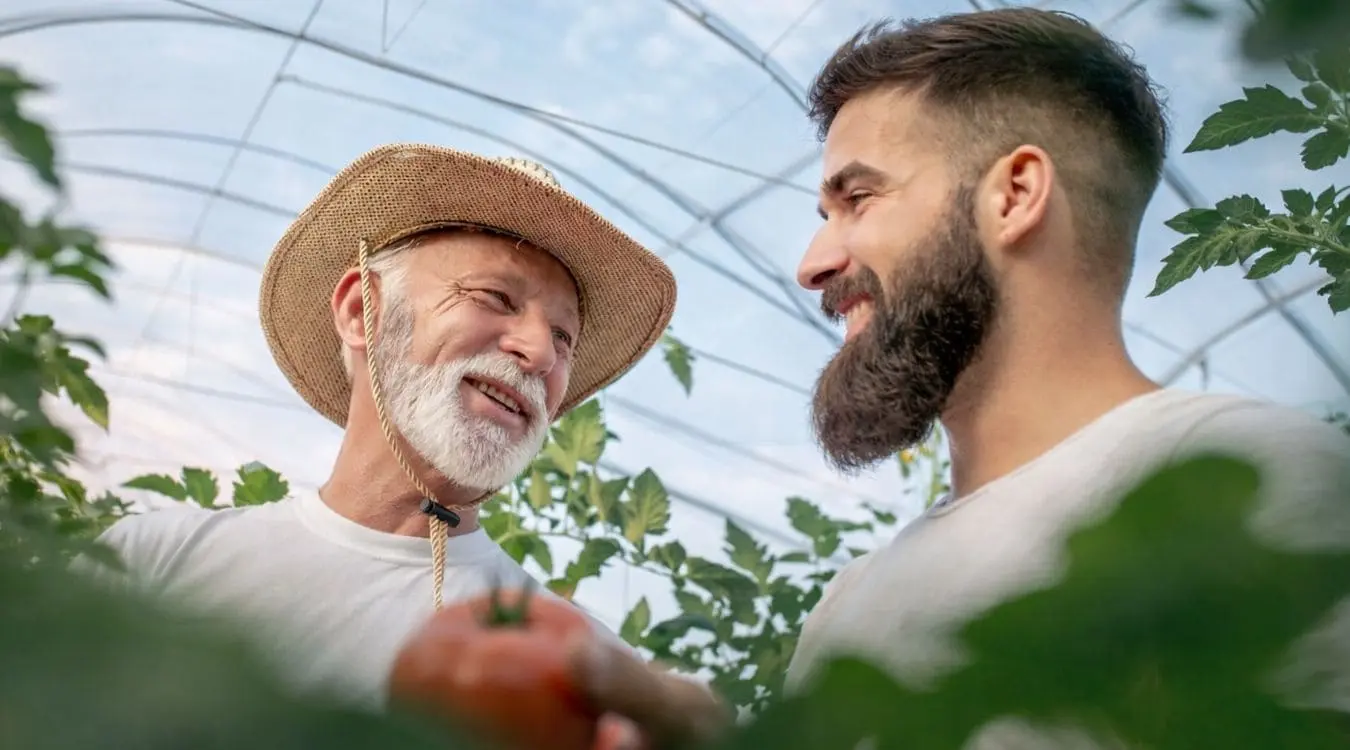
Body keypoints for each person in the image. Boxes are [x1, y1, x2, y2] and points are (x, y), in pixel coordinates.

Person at [780, 6, 1350, 746]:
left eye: (857, 199)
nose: (812, 264)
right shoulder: (844, 605)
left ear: (1014, 196)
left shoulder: (1256, 480)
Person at [75, 144, 682, 722]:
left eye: (563, 338)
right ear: (361, 311)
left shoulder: (584, 673)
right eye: (495, 297)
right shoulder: (147, 564)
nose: (539, 354)